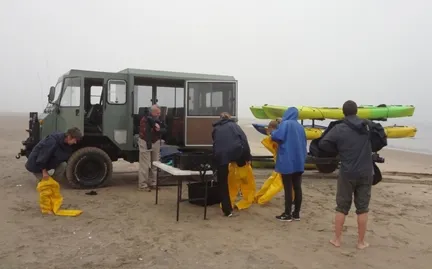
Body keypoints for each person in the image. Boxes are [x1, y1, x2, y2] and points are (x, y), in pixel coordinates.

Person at [318, 100, 373, 250]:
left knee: (342, 207)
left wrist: (337, 149)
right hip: (366, 171)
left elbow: (323, 144)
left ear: (343, 112)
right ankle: (361, 242)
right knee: (363, 208)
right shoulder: (366, 126)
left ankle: (337, 239)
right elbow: (379, 140)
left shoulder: (339, 128)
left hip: (347, 172)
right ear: (357, 112)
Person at [270, 107, 307, 222]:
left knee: (288, 188)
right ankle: (296, 214)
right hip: (299, 161)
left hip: (287, 161)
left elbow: (277, 136)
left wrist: (274, 130)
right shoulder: (300, 127)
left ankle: (287, 214)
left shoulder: (285, 124)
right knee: (297, 187)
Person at [212, 112, 251, 217]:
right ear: (229, 118)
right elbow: (244, 140)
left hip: (221, 156)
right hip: (236, 153)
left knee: (223, 183)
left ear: (220, 118)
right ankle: (244, 195)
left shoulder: (216, 128)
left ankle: (227, 210)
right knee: (241, 175)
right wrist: (247, 157)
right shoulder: (235, 126)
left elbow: (215, 143)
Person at [138, 104, 166, 192]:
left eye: (159, 113)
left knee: (156, 164)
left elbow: (165, 129)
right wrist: (155, 127)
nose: (159, 114)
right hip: (145, 141)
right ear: (152, 112)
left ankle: (153, 183)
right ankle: (142, 185)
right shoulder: (145, 119)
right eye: (157, 113)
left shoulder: (159, 120)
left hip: (155, 141)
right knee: (144, 165)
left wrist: (159, 129)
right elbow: (145, 132)